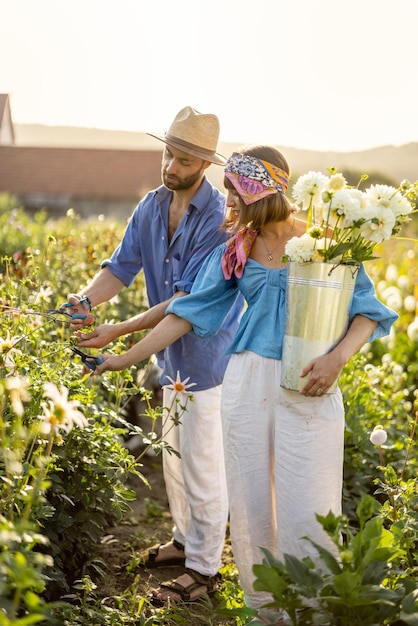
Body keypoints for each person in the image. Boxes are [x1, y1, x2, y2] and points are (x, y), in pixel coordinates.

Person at [81, 145, 397, 618]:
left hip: (309, 382)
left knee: (308, 499)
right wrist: (128, 355)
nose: (226, 201)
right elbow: (187, 309)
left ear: (262, 190)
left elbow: (368, 312)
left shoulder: (327, 242)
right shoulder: (238, 248)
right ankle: (266, 609)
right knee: (250, 499)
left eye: (234, 192)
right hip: (247, 379)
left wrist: (336, 360)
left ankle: (314, 609)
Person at [66, 106, 245, 605]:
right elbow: (120, 266)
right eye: (169, 152)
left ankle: (205, 568)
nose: (172, 166)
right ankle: (184, 541)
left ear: (205, 164)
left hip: (206, 360)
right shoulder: (150, 205)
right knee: (174, 458)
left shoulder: (220, 220)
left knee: (202, 464)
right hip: (169, 361)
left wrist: (118, 340)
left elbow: (184, 303)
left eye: (185, 160)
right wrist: (84, 300)